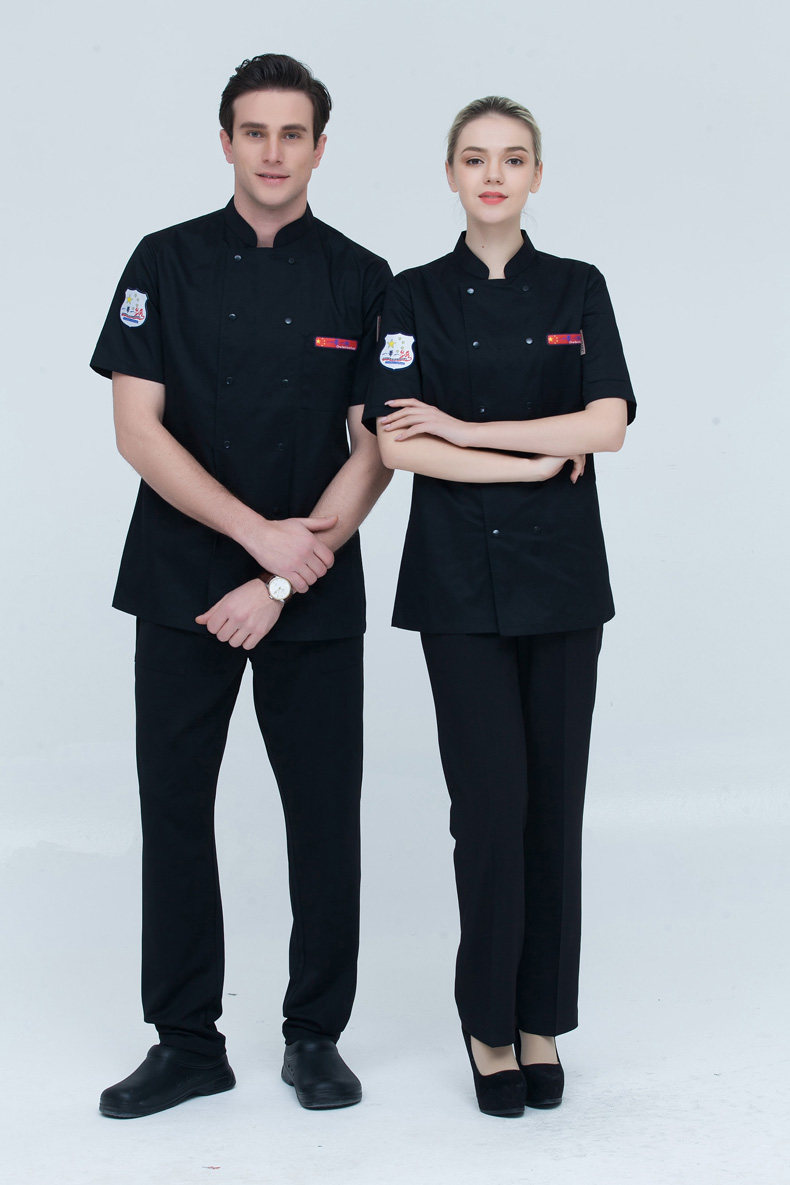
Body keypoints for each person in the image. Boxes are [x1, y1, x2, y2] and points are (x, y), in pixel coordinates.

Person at [89, 53, 392, 1118]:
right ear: (225, 141)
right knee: (174, 811)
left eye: (292, 133)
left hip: (311, 589)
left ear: (319, 148)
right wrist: (255, 538)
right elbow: (137, 431)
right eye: (254, 132)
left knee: (325, 817)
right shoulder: (163, 261)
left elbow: (375, 450)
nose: (272, 152)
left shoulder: (363, 277)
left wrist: (282, 575)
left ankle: (315, 1036)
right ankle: (186, 1043)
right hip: (181, 580)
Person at [363, 96, 635, 1117]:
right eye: (474, 158)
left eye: (512, 158)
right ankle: (487, 1025)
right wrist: (528, 462)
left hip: (564, 582)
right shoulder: (409, 295)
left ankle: (539, 1020)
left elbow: (607, 425)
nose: (492, 174)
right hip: (457, 585)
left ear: (535, 176)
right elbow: (398, 443)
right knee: (488, 810)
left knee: (553, 805)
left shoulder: (578, 286)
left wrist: (470, 432)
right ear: (449, 174)